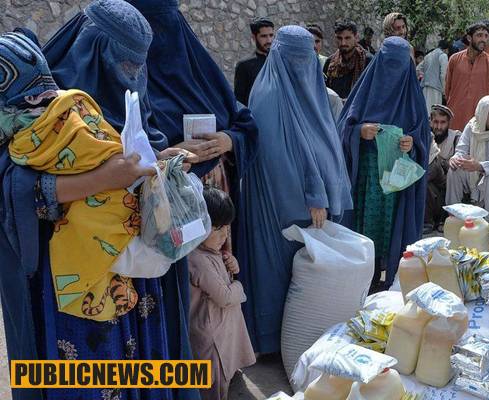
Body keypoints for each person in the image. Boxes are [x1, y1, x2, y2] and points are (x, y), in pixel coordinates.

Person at [0, 27, 176, 400]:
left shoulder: (72, 106)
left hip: (119, 265)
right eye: (122, 61)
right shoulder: (22, 123)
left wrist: (159, 166)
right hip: (59, 275)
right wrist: (104, 178)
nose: (41, 107)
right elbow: (20, 191)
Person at [239, 26, 352, 353]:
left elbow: (321, 136)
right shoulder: (270, 95)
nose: (303, 66)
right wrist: (316, 193)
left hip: (310, 200)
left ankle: (310, 332)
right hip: (285, 200)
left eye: (308, 59)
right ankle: (278, 341)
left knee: (306, 271)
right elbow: (283, 157)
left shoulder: (309, 85)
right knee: (282, 270)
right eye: (296, 59)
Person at [128, 0, 259, 276]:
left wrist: (228, 139)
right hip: (167, 205)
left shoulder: (200, 72)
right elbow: (125, 144)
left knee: (216, 278)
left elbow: (244, 121)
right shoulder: (130, 84)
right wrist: (167, 151)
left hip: (216, 203)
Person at [338, 36, 430, 291]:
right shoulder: (365, 90)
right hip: (366, 177)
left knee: (392, 229)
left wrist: (412, 143)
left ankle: (390, 281)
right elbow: (343, 127)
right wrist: (360, 132)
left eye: (398, 65)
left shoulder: (413, 96)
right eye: (388, 63)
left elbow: (423, 134)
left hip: (397, 179)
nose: (392, 72)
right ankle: (363, 279)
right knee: (365, 227)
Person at [189, 186, 255, 400]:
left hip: (220, 326)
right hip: (211, 335)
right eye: (217, 228)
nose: (224, 234)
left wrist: (231, 265)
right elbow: (225, 297)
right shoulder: (197, 260)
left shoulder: (209, 251)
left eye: (226, 227)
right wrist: (239, 287)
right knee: (214, 385)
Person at [445, 22, 489, 130]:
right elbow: (447, 89)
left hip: (478, 118)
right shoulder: (454, 59)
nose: (483, 39)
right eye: (479, 35)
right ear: (469, 38)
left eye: (486, 36)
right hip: (455, 115)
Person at [424, 105, 461, 232]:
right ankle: (427, 222)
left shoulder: (456, 138)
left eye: (443, 122)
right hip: (429, 190)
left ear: (448, 123)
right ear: (430, 121)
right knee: (425, 181)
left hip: (447, 191)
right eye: (435, 122)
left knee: (433, 166)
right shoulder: (425, 137)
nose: (439, 127)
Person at [324, 20, 373, 100]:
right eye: (339, 38)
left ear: (356, 38)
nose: (343, 43)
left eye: (347, 38)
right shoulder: (330, 63)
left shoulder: (368, 61)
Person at [234, 17, 275, 106]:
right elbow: (239, 101)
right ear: (254, 37)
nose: (269, 40)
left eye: (271, 35)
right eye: (264, 36)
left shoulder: (279, 62)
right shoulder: (244, 65)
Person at [416, 40, 449, 114]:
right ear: (446, 49)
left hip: (425, 87)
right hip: (436, 88)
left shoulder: (428, 55)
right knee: (434, 112)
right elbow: (444, 75)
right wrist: (444, 91)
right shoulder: (443, 55)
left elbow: (418, 69)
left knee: (425, 111)